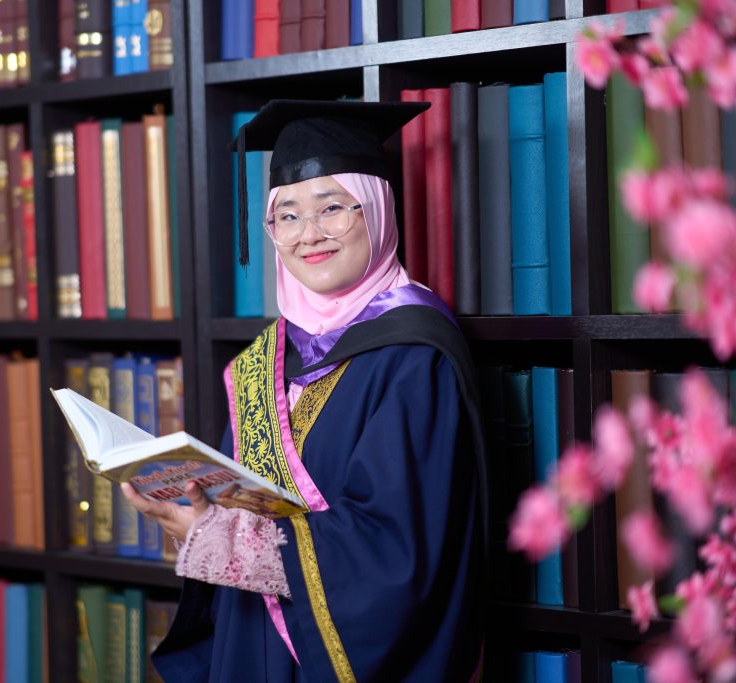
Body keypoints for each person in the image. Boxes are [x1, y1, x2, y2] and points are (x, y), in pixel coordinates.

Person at [121, 99, 487, 682]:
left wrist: (220, 538)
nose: (308, 235)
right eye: (286, 215)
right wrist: (186, 504)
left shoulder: (414, 355)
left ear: (376, 211)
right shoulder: (270, 356)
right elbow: (242, 497)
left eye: (332, 208)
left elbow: (398, 557)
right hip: (252, 637)